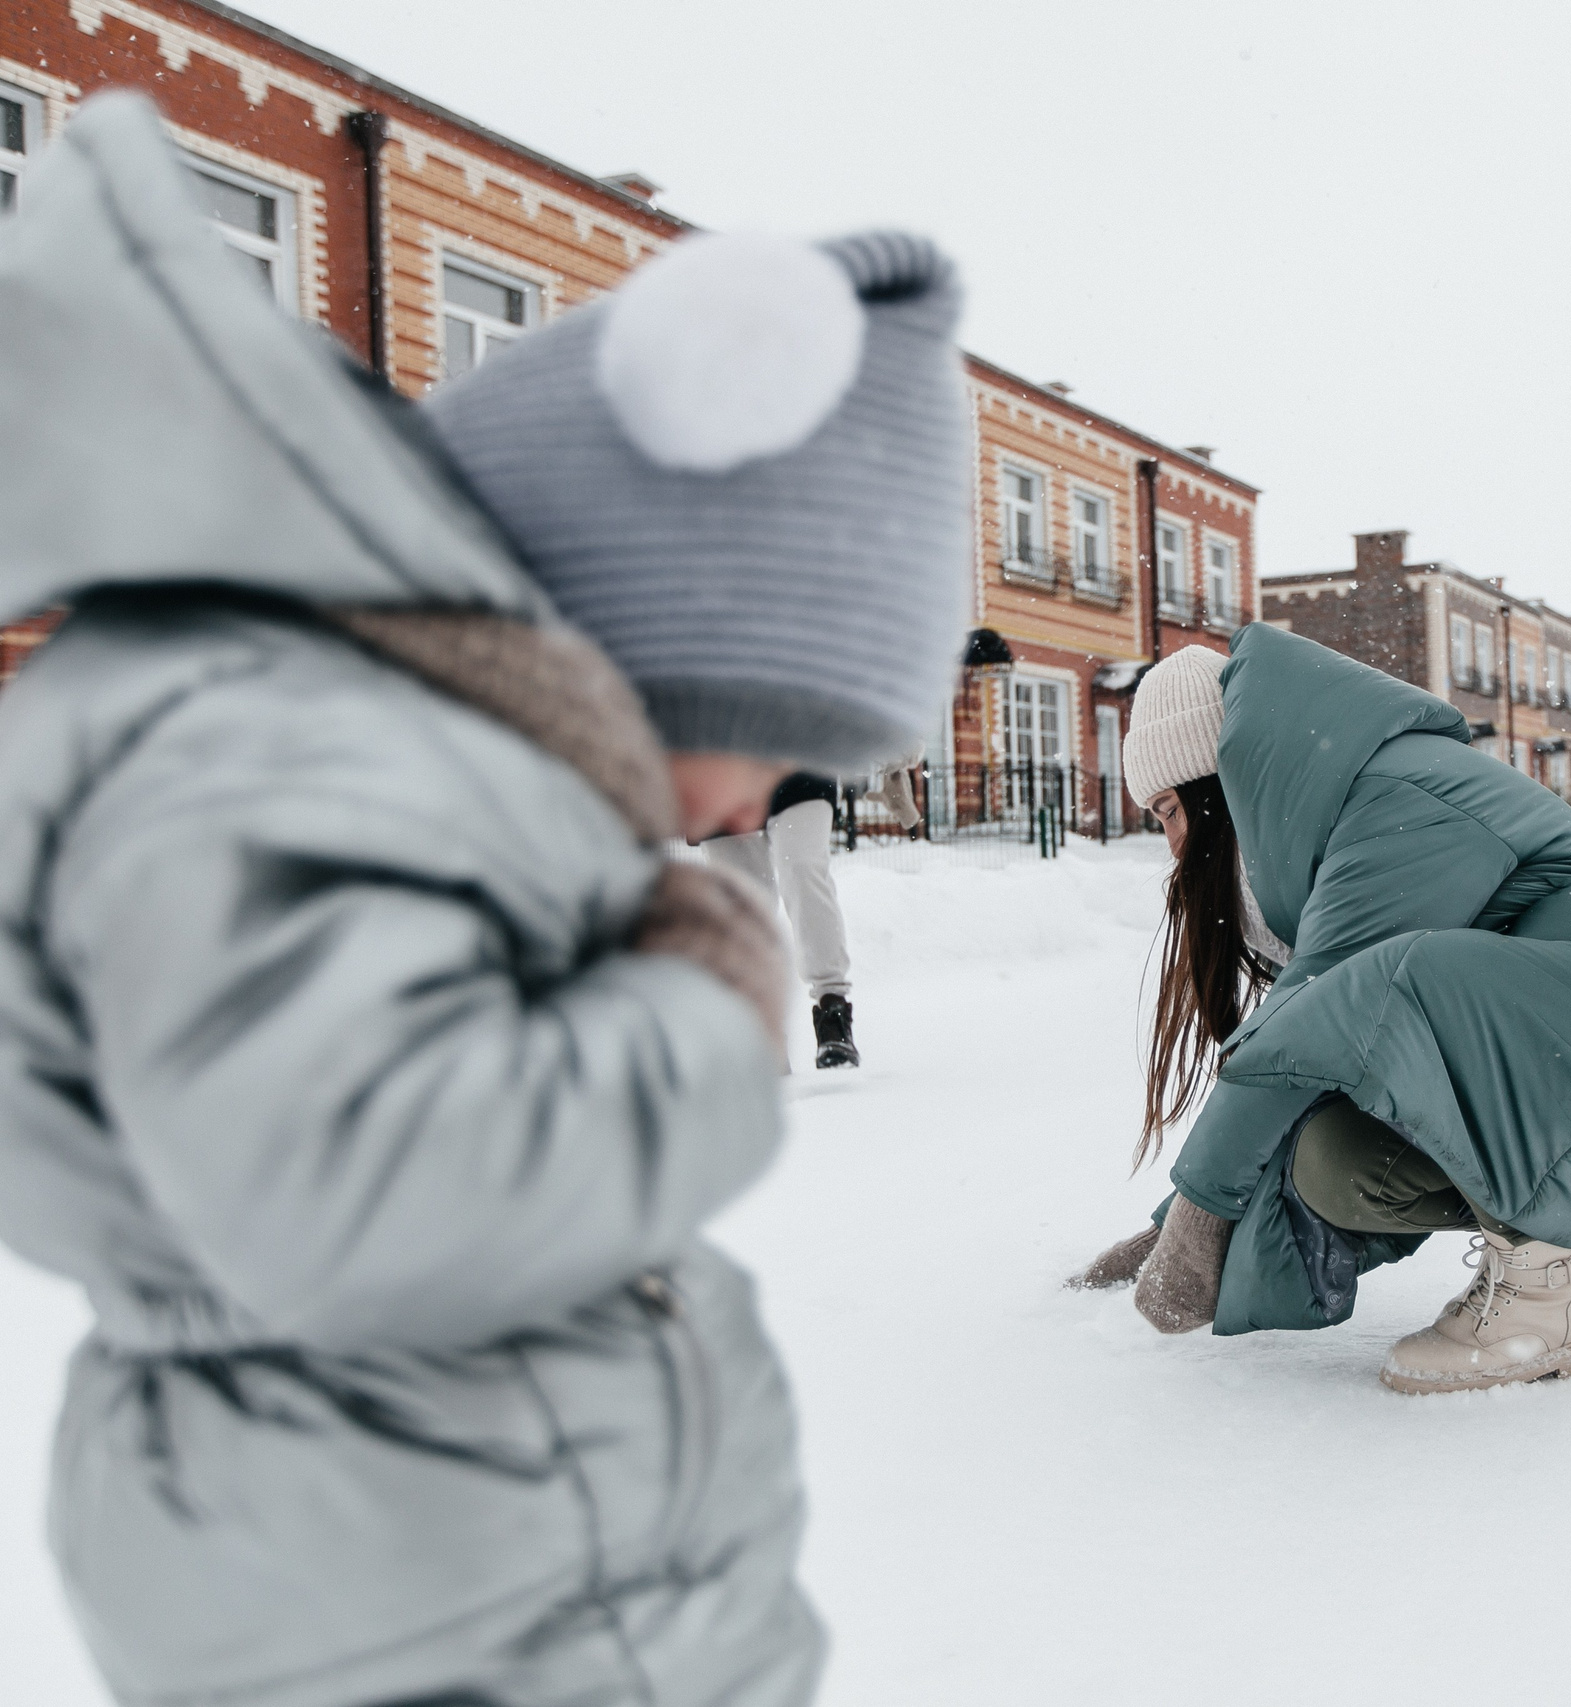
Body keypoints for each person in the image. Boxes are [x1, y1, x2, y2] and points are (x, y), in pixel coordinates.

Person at [0, 97, 968, 1706]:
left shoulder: (354, 744)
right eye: (783, 738)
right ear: (650, 621)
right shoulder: (303, 750)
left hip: (438, 1546)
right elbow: (364, 1188)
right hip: (422, 1579)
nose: (759, 803)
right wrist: (697, 1006)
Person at [1075, 629, 1571, 1392]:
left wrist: (1203, 1214)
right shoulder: (1317, 841)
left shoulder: (1392, 794)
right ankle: (1536, 1223)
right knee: (1333, 1161)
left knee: (1399, 978)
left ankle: (1540, 1294)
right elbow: (1305, 1058)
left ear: (1221, 780)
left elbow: (1310, 1021)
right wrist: (1174, 1222)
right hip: (1565, 1040)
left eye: (1170, 812)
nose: (1172, 846)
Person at [709, 770, 862, 1068]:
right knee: (741, 898)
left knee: (803, 868)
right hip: (717, 762)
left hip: (800, 756)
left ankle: (833, 1011)